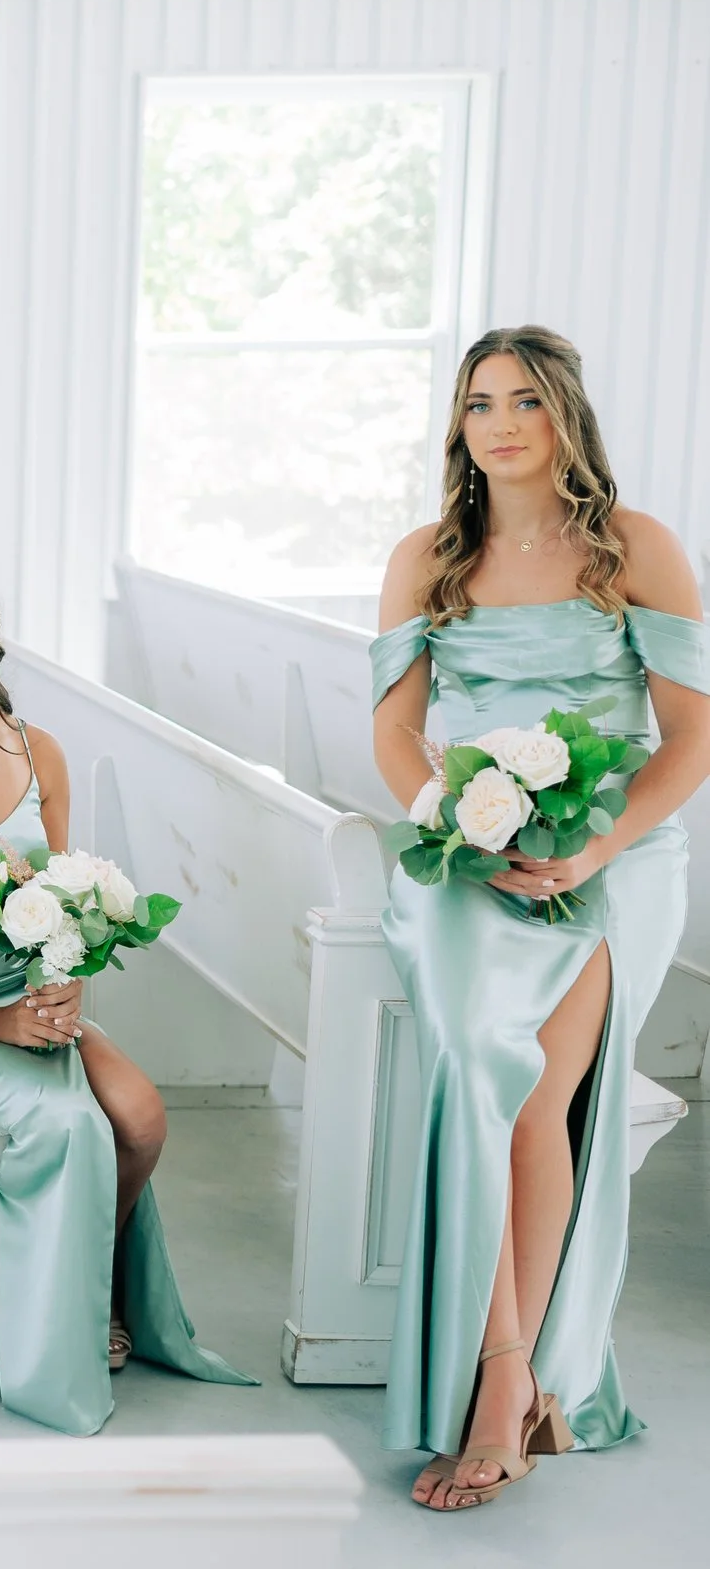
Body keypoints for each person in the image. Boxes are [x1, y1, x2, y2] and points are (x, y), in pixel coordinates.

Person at [370, 326, 709, 1509]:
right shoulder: (426, 559)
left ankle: (502, 1384)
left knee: (535, 1111)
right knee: (472, 1064)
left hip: (613, 860)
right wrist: (458, 819)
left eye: (523, 400)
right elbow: (393, 733)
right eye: (477, 404)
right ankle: (505, 1361)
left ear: (563, 414)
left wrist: (596, 841)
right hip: (463, 856)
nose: (500, 422)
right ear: (456, 427)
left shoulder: (635, 550)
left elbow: (691, 737)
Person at [0, 533, 252, 1435]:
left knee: (141, 1115)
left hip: (32, 1000)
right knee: (68, 1122)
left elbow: (66, 908)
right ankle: (37, 1341)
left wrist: (67, 993)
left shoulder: (40, 751)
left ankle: (73, 1276)